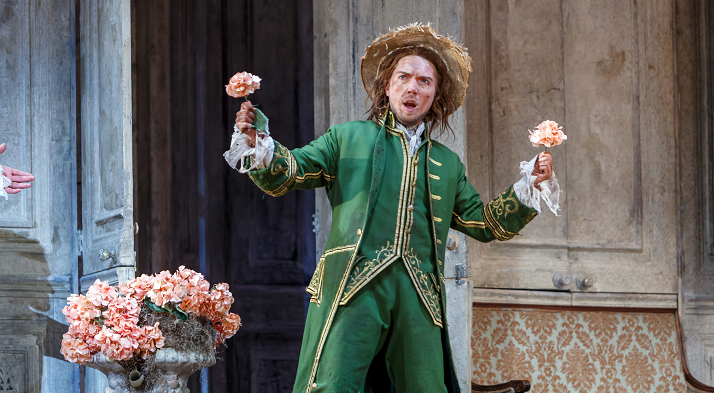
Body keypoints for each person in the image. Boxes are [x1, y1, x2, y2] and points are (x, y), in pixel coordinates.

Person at [225, 24, 558, 393]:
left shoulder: (448, 164)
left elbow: (486, 223)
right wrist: (258, 142)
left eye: (425, 81)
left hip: (420, 297)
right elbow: (291, 171)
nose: (413, 87)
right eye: (404, 77)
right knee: (333, 385)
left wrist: (531, 185)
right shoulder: (348, 137)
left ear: (435, 95)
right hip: (353, 285)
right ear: (388, 86)